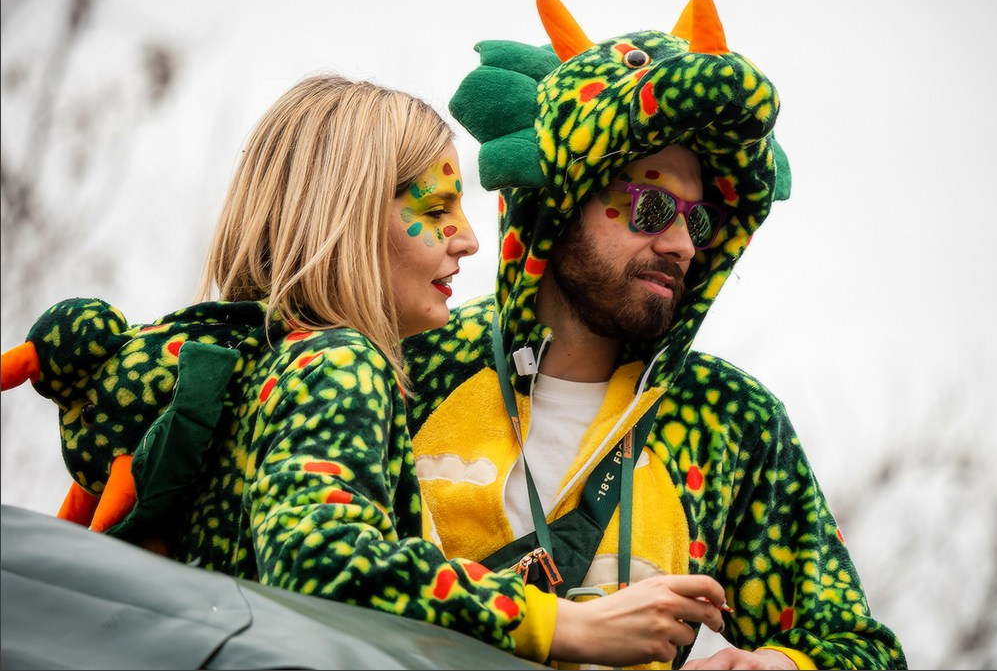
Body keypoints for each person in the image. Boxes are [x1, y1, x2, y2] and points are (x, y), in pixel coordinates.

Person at [0, 74, 728, 668]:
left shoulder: (255, 366)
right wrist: (566, 626)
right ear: (347, 213)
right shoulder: (340, 361)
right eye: (437, 207)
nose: (469, 238)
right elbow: (323, 559)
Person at [402, 0, 908, 669]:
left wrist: (776, 665)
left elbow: (862, 650)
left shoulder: (731, 419)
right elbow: (311, 565)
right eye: (650, 206)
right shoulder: (411, 362)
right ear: (560, 199)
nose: (681, 244)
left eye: (698, 220)